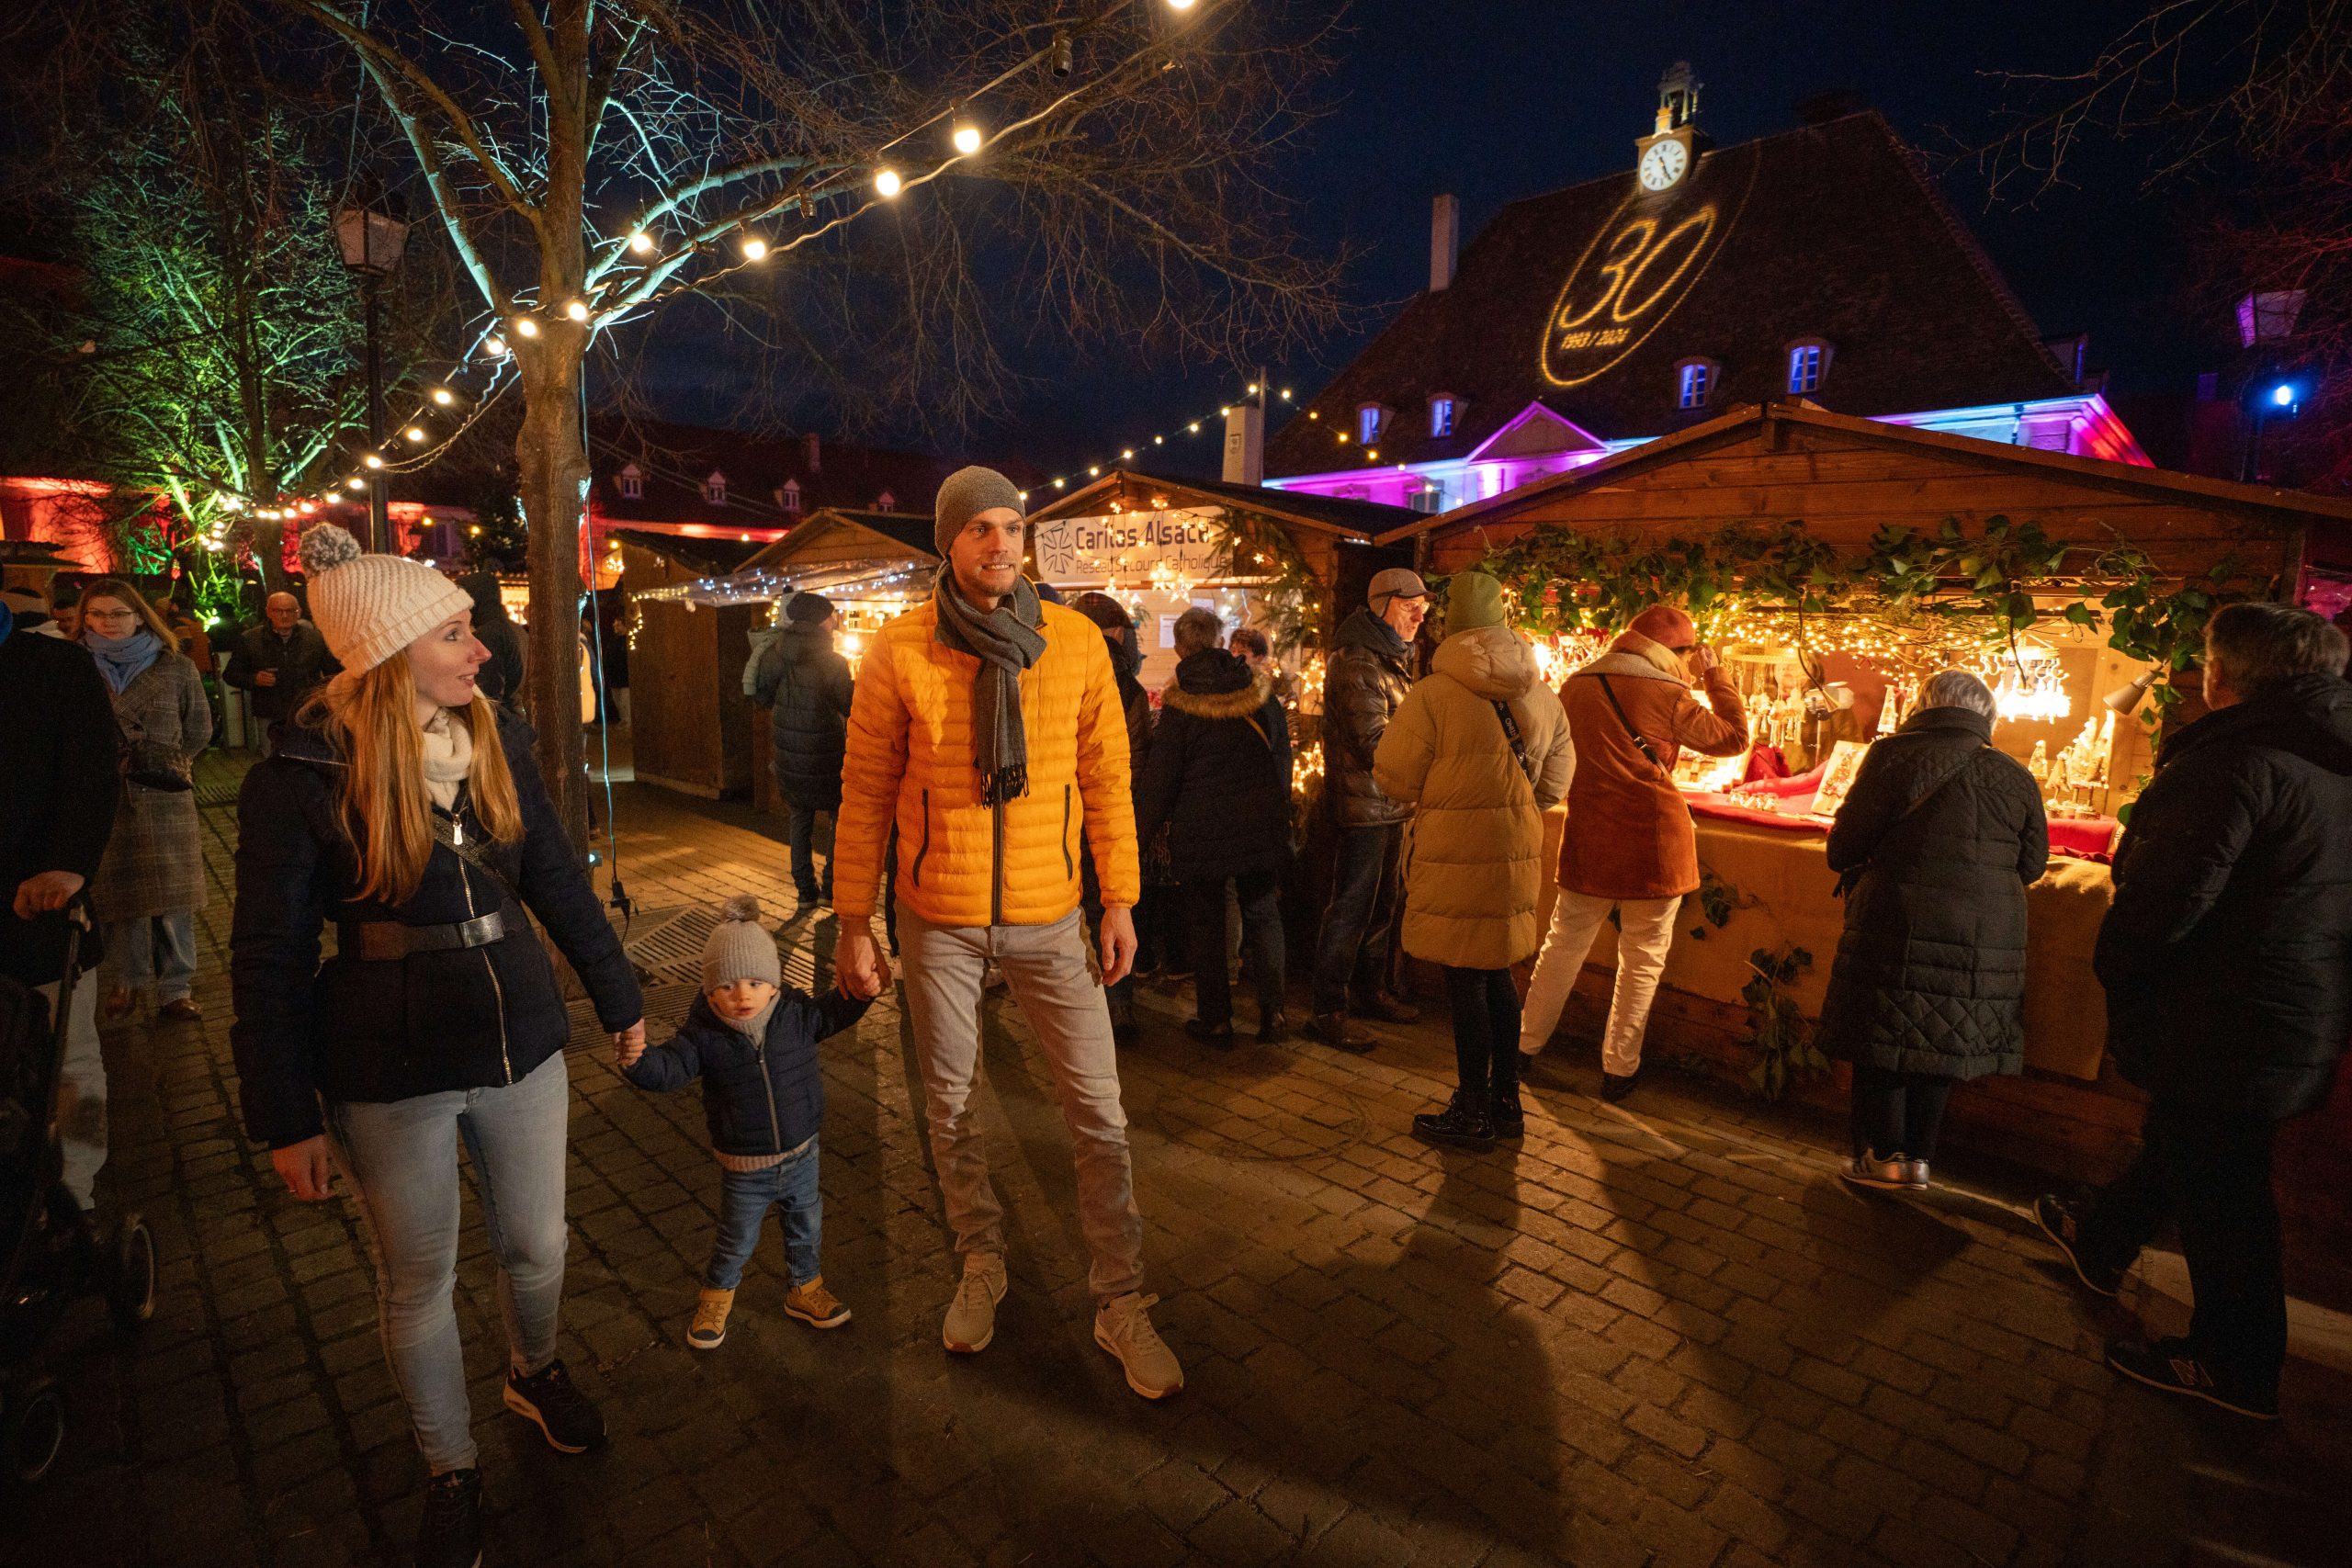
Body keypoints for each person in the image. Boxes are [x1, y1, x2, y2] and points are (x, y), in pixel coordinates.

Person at [231, 524, 644, 1566]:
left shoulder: (497, 737)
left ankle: (534, 1371)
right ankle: (449, 1463)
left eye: (471, 632)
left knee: (539, 1244)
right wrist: (284, 1115)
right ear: (386, 652)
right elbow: (269, 957)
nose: (480, 652)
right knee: (419, 1276)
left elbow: (554, 874)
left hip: (518, 1031)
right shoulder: (299, 773)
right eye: (455, 633)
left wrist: (617, 994)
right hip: (384, 1060)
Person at [830, 466, 1182, 1400]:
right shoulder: (901, 650)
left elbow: (1108, 779)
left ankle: (1120, 1298)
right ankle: (979, 1258)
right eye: (979, 528)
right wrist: (852, 921)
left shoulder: (1070, 643)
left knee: (1098, 1112)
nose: (999, 543)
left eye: (1011, 526)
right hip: (936, 917)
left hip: (1051, 914)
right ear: (948, 542)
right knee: (948, 1104)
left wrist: (1119, 901)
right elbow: (862, 793)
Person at [2035, 603, 2352, 1421]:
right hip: (2294, 1001)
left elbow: (2168, 895)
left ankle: (2235, 1363)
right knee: (2194, 1139)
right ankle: (2100, 1239)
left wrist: (2120, 964)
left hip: (2230, 1005)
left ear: (2225, 676)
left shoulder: (2237, 761)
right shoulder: (2334, 758)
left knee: (2223, 1182)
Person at [1815, 670, 2047, 1191]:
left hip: (1895, 922)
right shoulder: (2015, 774)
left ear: (1923, 706)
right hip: (1982, 939)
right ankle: (1918, 1160)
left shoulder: (1891, 756)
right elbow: (2033, 865)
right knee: (1940, 1045)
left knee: (1884, 1041)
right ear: (1988, 718)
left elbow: (1843, 849)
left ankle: (1885, 1157)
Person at [1373, 571, 1573, 1149]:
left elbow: (1394, 776)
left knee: (1465, 979)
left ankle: (1474, 1111)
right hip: (1514, 849)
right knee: (1498, 974)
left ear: (1451, 626)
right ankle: (1507, 1101)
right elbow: (1557, 780)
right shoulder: (1541, 692)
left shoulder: (1433, 693)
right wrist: (1512, 806)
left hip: (1452, 852)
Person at [618, 896, 870, 1350]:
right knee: (736, 1239)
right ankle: (716, 1296)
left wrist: (862, 992)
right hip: (745, 1168)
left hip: (802, 1152)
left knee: (806, 1224)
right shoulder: (703, 1035)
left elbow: (833, 1013)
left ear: (774, 984)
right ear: (709, 990)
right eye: (728, 986)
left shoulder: (794, 1014)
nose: (742, 996)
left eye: (755, 982)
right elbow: (670, 1068)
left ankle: (805, 1287)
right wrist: (639, 1061)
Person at [1519, 604, 1747, 1102]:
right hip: (1653, 840)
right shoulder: (1667, 691)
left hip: (1589, 835)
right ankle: (1618, 1071)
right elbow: (1733, 740)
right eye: (1688, 654)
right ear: (1674, 651)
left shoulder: (1576, 684)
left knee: (1561, 946)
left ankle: (1524, 1046)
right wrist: (1717, 677)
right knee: (1641, 958)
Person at [1, 590, 119, 1211]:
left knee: (68, 1059)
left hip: (36, 908)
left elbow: (92, 774)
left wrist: (67, 866)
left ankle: (76, 1186)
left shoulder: (53, 668)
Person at [1137, 606, 1294, 1047]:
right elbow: (1281, 756)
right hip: (1260, 824)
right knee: (1262, 912)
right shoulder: (1257, 689)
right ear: (1221, 642)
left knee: (1206, 922)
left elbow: (1161, 779)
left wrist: (1138, 837)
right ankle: (1274, 1013)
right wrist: (1278, 810)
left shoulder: (1181, 700)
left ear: (1180, 647)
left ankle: (1217, 1020)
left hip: (1202, 830)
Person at [77, 580, 214, 1024]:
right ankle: (128, 980)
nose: (108, 623)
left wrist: (164, 764)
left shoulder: (175, 666)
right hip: (105, 798)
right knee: (122, 899)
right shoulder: (75, 667)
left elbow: (198, 729)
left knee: (174, 900)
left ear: (139, 615)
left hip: (163, 797)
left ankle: (176, 987)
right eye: (97, 614)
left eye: (118, 613)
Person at [1311, 567, 1430, 1053]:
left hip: (1392, 803)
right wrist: (1427, 751)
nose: (1418, 616)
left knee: (1384, 903)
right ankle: (1328, 1008)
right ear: (1381, 605)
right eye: (1408, 606)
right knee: (1353, 906)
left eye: (1423, 607)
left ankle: (1370, 991)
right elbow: (1373, 742)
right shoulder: (1358, 660)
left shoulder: (1394, 656)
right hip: (1364, 806)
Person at [1070, 592, 1153, 1044]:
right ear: (1119, 632)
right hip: (1112, 812)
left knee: (1073, 912)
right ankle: (1119, 1008)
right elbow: (1135, 759)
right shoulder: (1129, 686)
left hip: (1066, 813)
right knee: (1111, 910)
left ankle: (1082, 1013)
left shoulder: (1064, 667)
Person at [751, 592, 856, 907]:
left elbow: (763, 697)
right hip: (826, 751)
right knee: (839, 817)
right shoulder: (832, 661)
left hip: (788, 750)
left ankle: (805, 893)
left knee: (800, 819)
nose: (833, 622)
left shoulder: (773, 655)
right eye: (829, 616)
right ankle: (830, 890)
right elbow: (849, 704)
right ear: (818, 621)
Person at [223, 590, 336, 752]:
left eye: (290, 611)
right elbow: (231, 674)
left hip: (306, 712)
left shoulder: (315, 639)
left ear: (299, 613)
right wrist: (254, 679)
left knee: (306, 759)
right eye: (278, 611)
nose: (284, 616)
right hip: (269, 713)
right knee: (272, 760)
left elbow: (331, 674)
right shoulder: (250, 639)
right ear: (269, 612)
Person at [458, 570, 525, 705]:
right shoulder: (514, 629)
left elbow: (488, 696)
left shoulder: (490, 635)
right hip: (514, 715)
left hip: (500, 718)